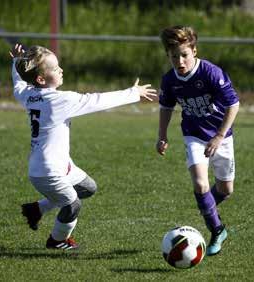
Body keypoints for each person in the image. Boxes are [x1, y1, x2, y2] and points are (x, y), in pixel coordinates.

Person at [10, 43, 157, 250]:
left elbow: (18, 84)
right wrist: (133, 93)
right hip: (47, 172)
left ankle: (36, 210)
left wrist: (16, 62)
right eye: (54, 68)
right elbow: (96, 100)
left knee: (87, 188)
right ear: (41, 79)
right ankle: (57, 240)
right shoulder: (58, 100)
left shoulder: (28, 94)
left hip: (57, 165)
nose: (60, 70)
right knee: (72, 204)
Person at [156, 26, 239, 256]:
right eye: (174, 57)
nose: (180, 61)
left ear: (194, 51)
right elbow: (166, 107)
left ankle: (207, 207)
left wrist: (219, 136)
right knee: (201, 185)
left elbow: (233, 104)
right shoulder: (170, 79)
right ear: (168, 56)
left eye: (184, 55)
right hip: (193, 134)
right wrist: (162, 135)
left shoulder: (211, 73)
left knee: (225, 189)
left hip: (221, 136)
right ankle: (217, 229)